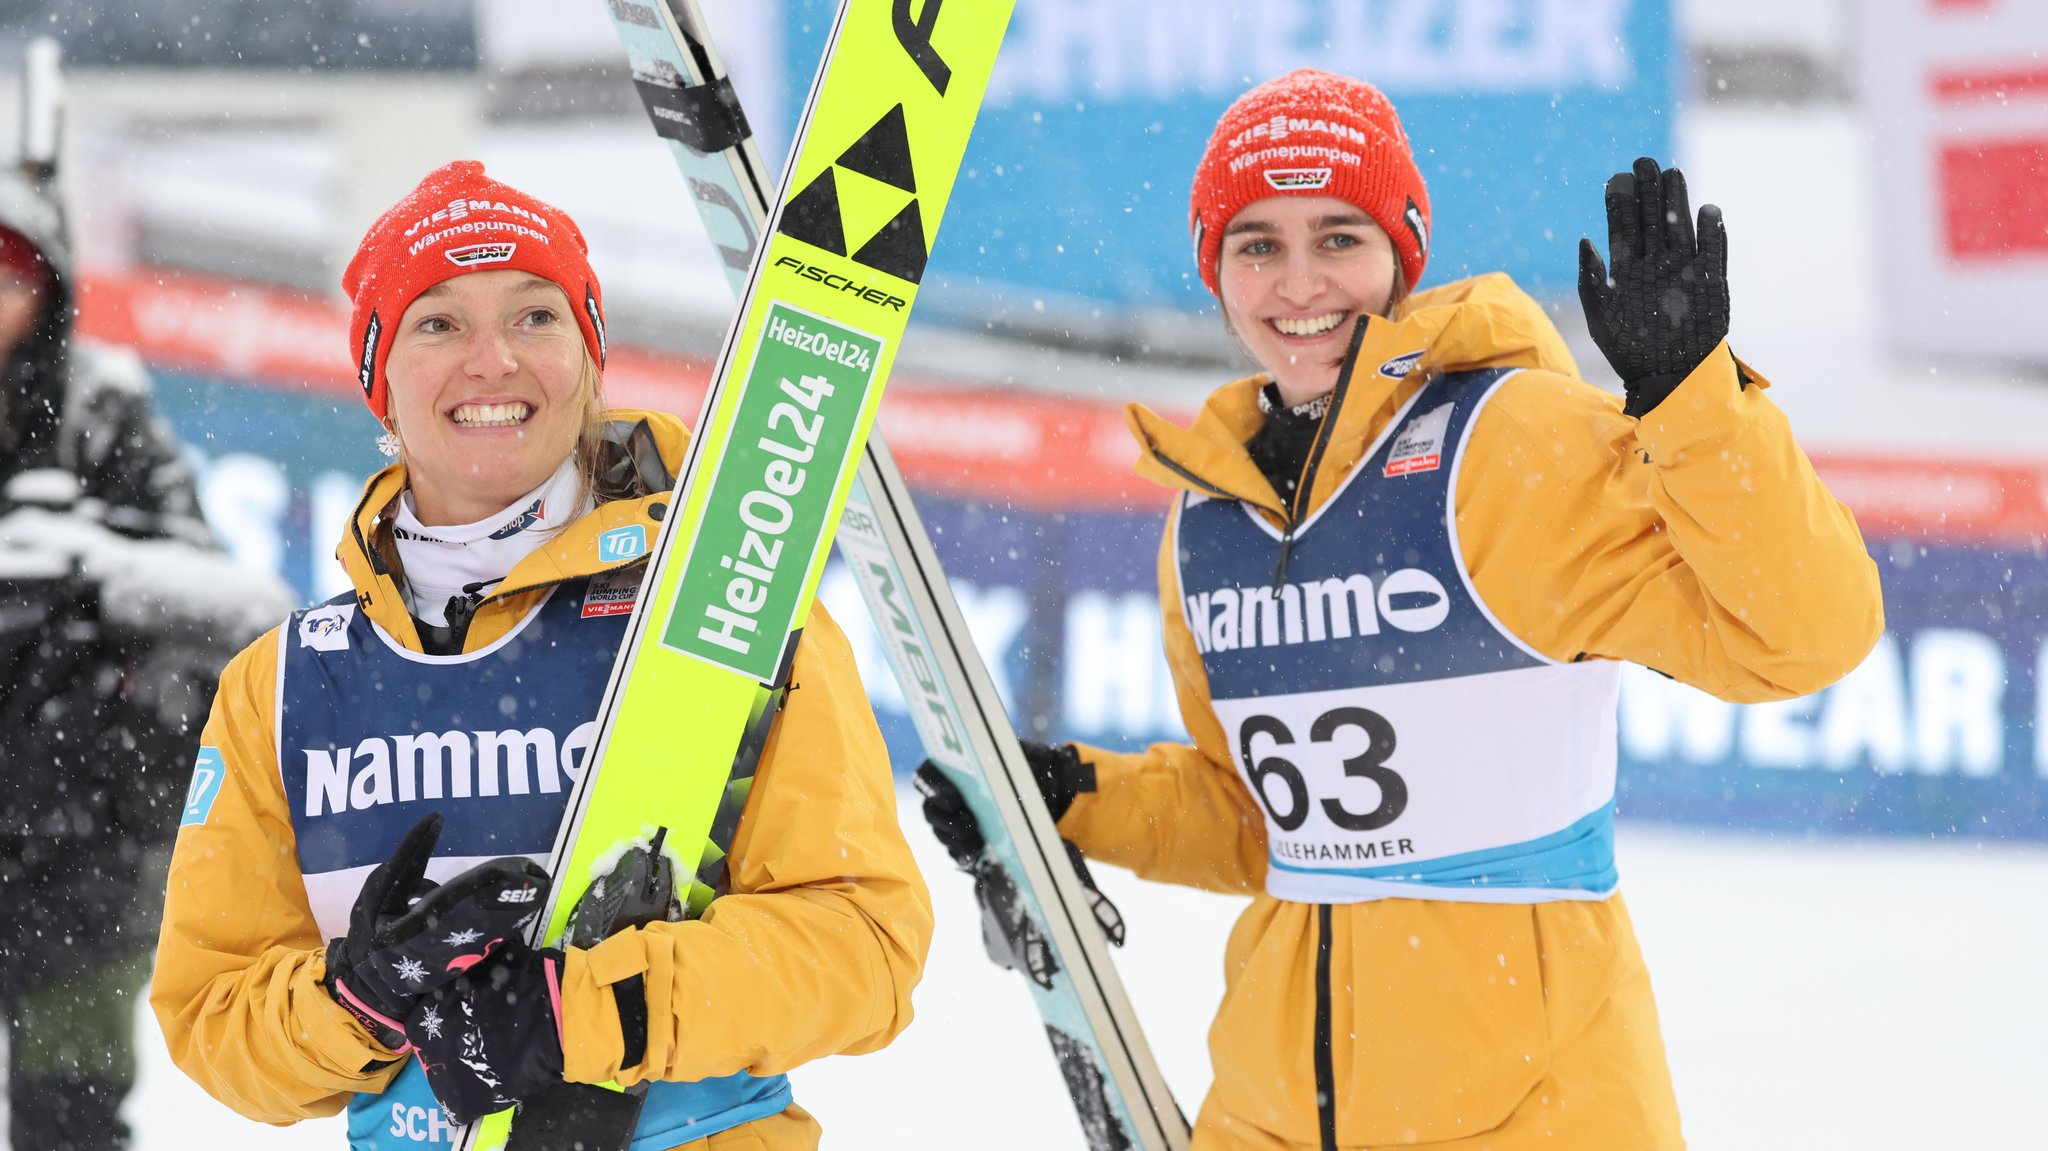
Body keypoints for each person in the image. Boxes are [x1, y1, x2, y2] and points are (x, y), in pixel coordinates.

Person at [918, 70, 1883, 1149]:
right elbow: (1260, 821)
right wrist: (1072, 796)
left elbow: (1802, 635)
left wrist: (1691, 399)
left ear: (1401, 252)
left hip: (1533, 1112)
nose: (1297, 284)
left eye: (1337, 237)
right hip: (1271, 1115)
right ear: (1214, 271)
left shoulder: (1509, 443)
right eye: (1256, 245)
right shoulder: (1212, 515)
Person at [150, 161, 932, 1150]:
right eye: (437, 323)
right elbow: (213, 1018)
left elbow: (866, 947)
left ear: (589, 356)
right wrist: (361, 997)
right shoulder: (286, 682)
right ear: (377, 380)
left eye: (534, 316)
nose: (493, 361)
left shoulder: (723, 604)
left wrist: (587, 1012)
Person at [0, 161, 289, 1150]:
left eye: (10, 277)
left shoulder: (106, 411)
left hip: (84, 851)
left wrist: (91, 571)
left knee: (74, 1116)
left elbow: (246, 606)